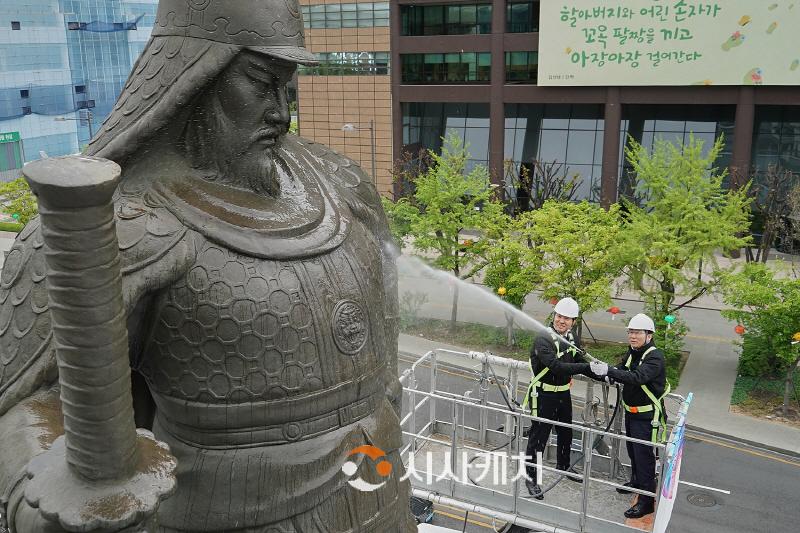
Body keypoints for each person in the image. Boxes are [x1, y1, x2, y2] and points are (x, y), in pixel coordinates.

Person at [0, 0, 415, 531]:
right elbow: (25, 403)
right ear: (195, 76)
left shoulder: (342, 182)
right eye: (261, 82)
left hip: (380, 491)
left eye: (288, 87)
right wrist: (46, 496)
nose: (280, 112)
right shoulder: (119, 226)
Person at [590, 313, 670, 519]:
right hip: (633, 413)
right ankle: (637, 482)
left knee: (644, 457)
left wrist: (611, 371)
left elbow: (637, 377)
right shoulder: (633, 352)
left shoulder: (654, 357)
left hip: (647, 417)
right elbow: (621, 369)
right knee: (633, 452)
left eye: (637, 333)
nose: (633, 336)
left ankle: (646, 500)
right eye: (631, 332)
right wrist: (607, 372)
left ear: (649, 335)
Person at [522, 297, 591, 499]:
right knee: (538, 437)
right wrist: (586, 368)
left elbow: (579, 360)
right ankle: (530, 477)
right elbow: (556, 366)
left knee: (565, 431)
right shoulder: (543, 338)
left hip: (562, 392)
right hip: (543, 394)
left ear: (573, 322)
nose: (562, 321)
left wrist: (605, 373)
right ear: (554, 316)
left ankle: (563, 465)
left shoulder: (572, 338)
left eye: (567, 318)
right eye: (560, 316)